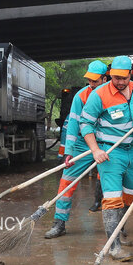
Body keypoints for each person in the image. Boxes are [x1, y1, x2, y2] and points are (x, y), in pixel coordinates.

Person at [80, 56, 133, 261]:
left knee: (129, 196)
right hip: (110, 152)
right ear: (110, 75)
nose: (120, 82)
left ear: (130, 75)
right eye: (116, 78)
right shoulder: (99, 95)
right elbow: (85, 124)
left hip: (131, 151)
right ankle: (114, 247)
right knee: (112, 199)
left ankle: (119, 233)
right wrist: (96, 150)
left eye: (124, 78)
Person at [44, 60, 108, 239]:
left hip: (106, 144)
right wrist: (69, 151)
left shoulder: (113, 95)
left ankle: (116, 227)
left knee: (112, 185)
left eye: (95, 81)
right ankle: (59, 223)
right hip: (82, 145)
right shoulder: (81, 96)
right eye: (89, 80)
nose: (91, 84)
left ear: (104, 79)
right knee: (67, 182)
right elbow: (72, 124)